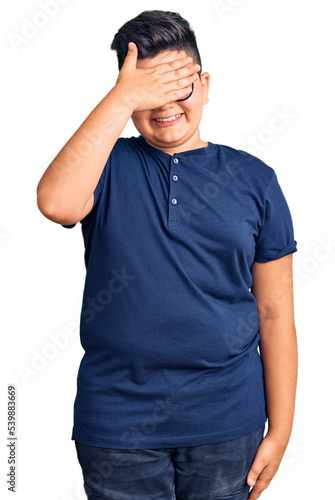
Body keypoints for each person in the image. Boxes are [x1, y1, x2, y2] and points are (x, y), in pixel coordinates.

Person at [36, 10, 298, 500]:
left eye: (178, 88)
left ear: (204, 84)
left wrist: (280, 432)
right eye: (148, 93)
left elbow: (275, 312)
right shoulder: (107, 165)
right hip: (117, 425)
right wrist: (121, 97)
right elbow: (56, 203)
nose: (165, 107)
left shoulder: (254, 178)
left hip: (227, 422)